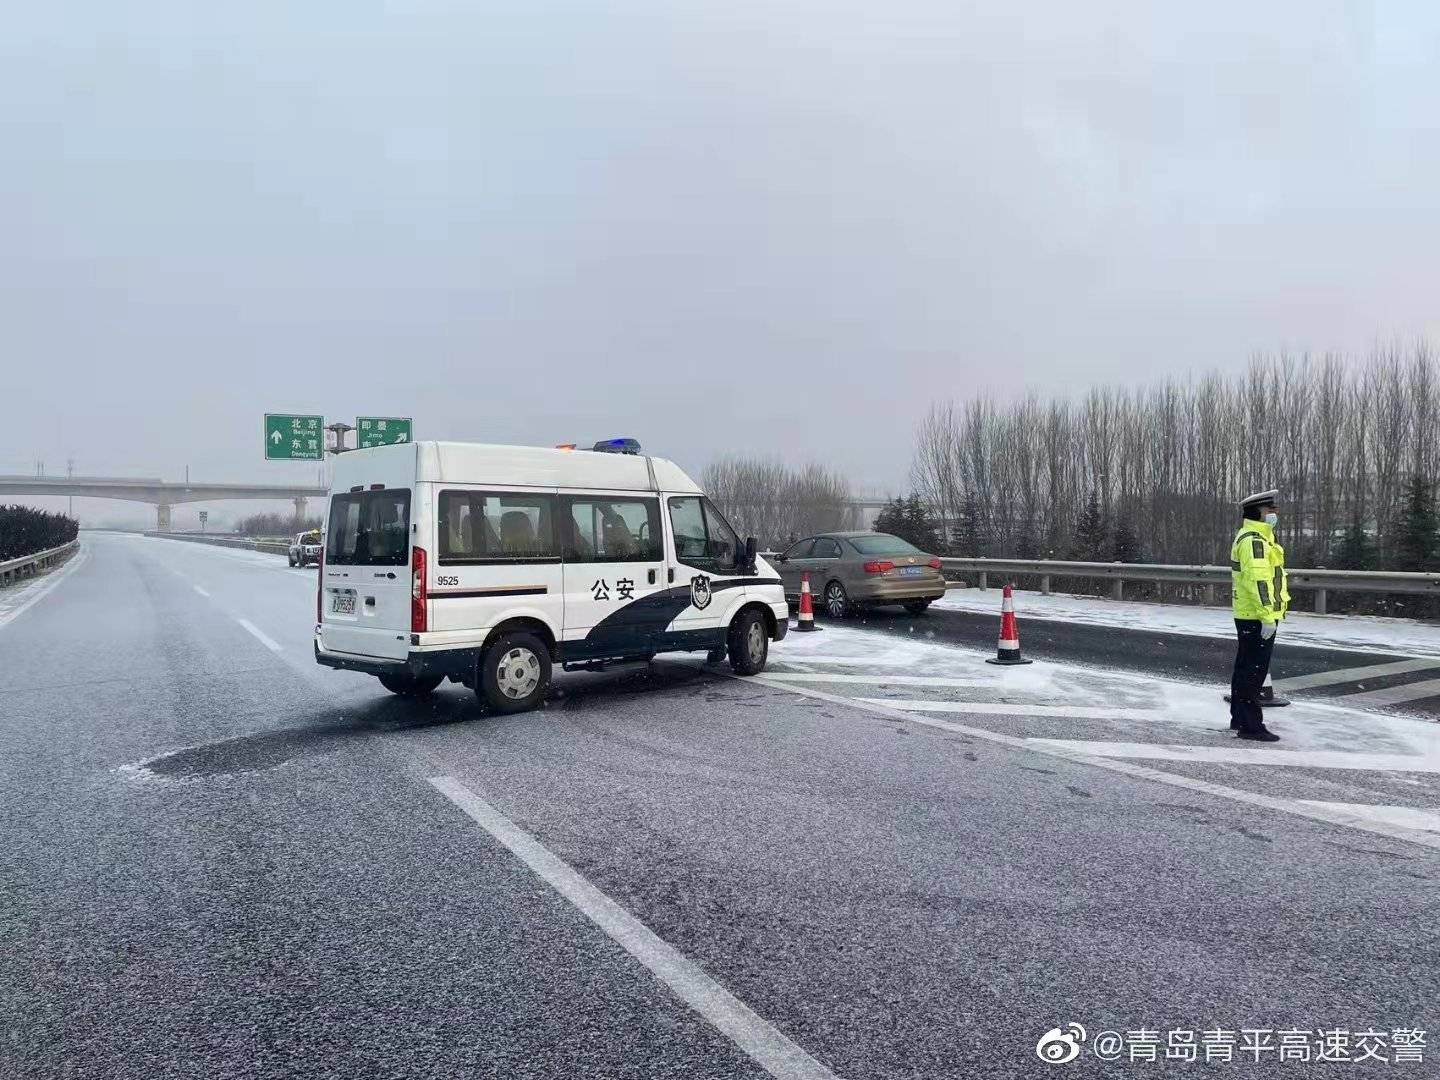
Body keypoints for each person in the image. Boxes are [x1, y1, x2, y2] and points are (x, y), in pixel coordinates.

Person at [1229, 489, 1290, 741]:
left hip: (1250, 613)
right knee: (1253, 672)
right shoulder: (1254, 541)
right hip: (1256, 616)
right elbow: (1259, 582)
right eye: (1270, 510)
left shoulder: (1258, 537)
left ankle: (1240, 718)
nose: (1274, 514)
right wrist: (1266, 616)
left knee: (1245, 668)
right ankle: (1251, 726)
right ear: (1258, 513)